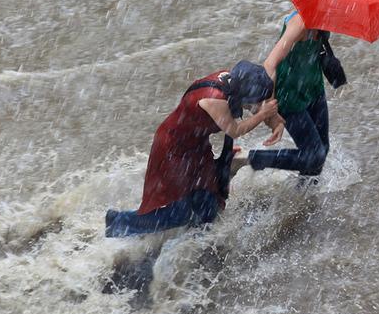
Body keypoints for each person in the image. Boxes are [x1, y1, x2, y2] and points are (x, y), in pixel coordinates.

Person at [105, 61, 278, 237]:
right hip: (173, 149)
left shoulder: (233, 80)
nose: (256, 106)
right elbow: (235, 130)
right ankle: (119, 222)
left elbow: (237, 121)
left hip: (195, 145)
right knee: (181, 212)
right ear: (244, 94)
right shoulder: (214, 98)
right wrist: (263, 115)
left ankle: (194, 244)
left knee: (208, 201)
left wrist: (274, 121)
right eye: (255, 101)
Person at [238, 9, 337, 178]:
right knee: (314, 156)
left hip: (313, 88)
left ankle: (305, 199)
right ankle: (246, 158)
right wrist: (271, 111)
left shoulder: (325, 18)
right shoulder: (299, 24)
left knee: (321, 151)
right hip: (289, 96)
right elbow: (270, 65)